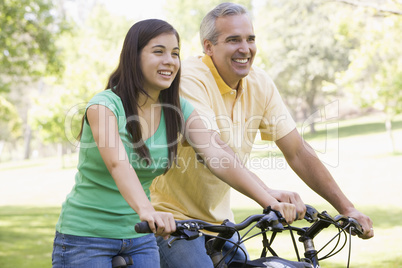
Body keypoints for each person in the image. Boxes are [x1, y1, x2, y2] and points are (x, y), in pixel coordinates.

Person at [52, 18, 296, 268]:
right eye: (158, 52)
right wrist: (147, 210)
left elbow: (218, 156)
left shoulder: (178, 110)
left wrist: (267, 200)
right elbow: (118, 164)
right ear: (133, 57)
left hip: (140, 237)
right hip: (85, 238)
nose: (170, 60)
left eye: (175, 53)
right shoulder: (104, 106)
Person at [150, 2, 374, 267]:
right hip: (168, 220)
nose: (245, 49)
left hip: (220, 224)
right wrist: (268, 197)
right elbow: (214, 150)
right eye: (233, 40)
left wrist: (346, 208)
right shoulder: (189, 78)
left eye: (250, 39)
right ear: (208, 47)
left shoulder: (260, 83)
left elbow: (297, 150)